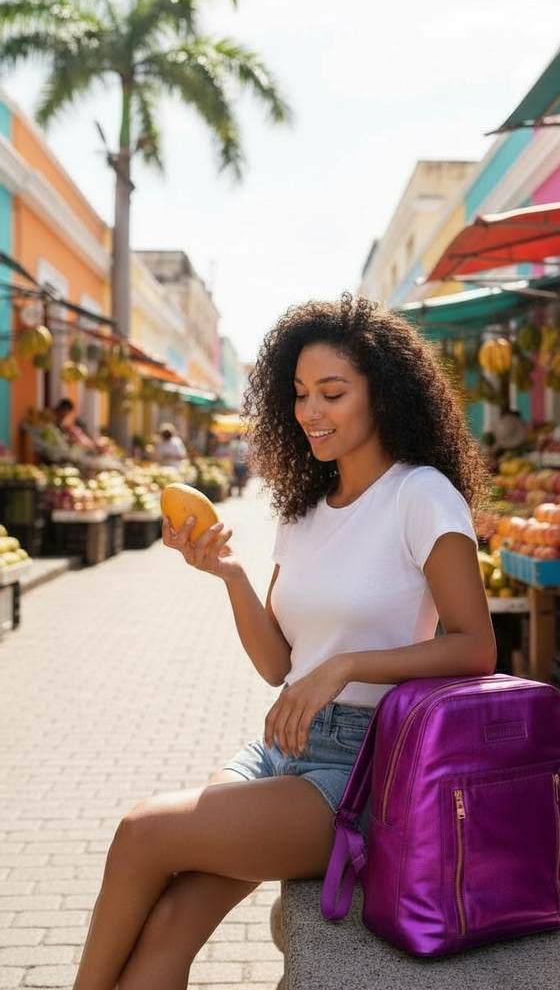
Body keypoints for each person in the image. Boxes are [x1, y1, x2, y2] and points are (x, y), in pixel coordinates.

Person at [70, 293, 496, 990]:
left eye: (332, 392)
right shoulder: (303, 514)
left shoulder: (420, 496)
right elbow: (278, 664)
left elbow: (476, 647)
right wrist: (230, 574)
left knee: (142, 832)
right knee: (170, 920)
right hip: (279, 752)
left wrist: (346, 668)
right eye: (298, 394)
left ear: (381, 395)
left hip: (361, 770)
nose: (310, 412)